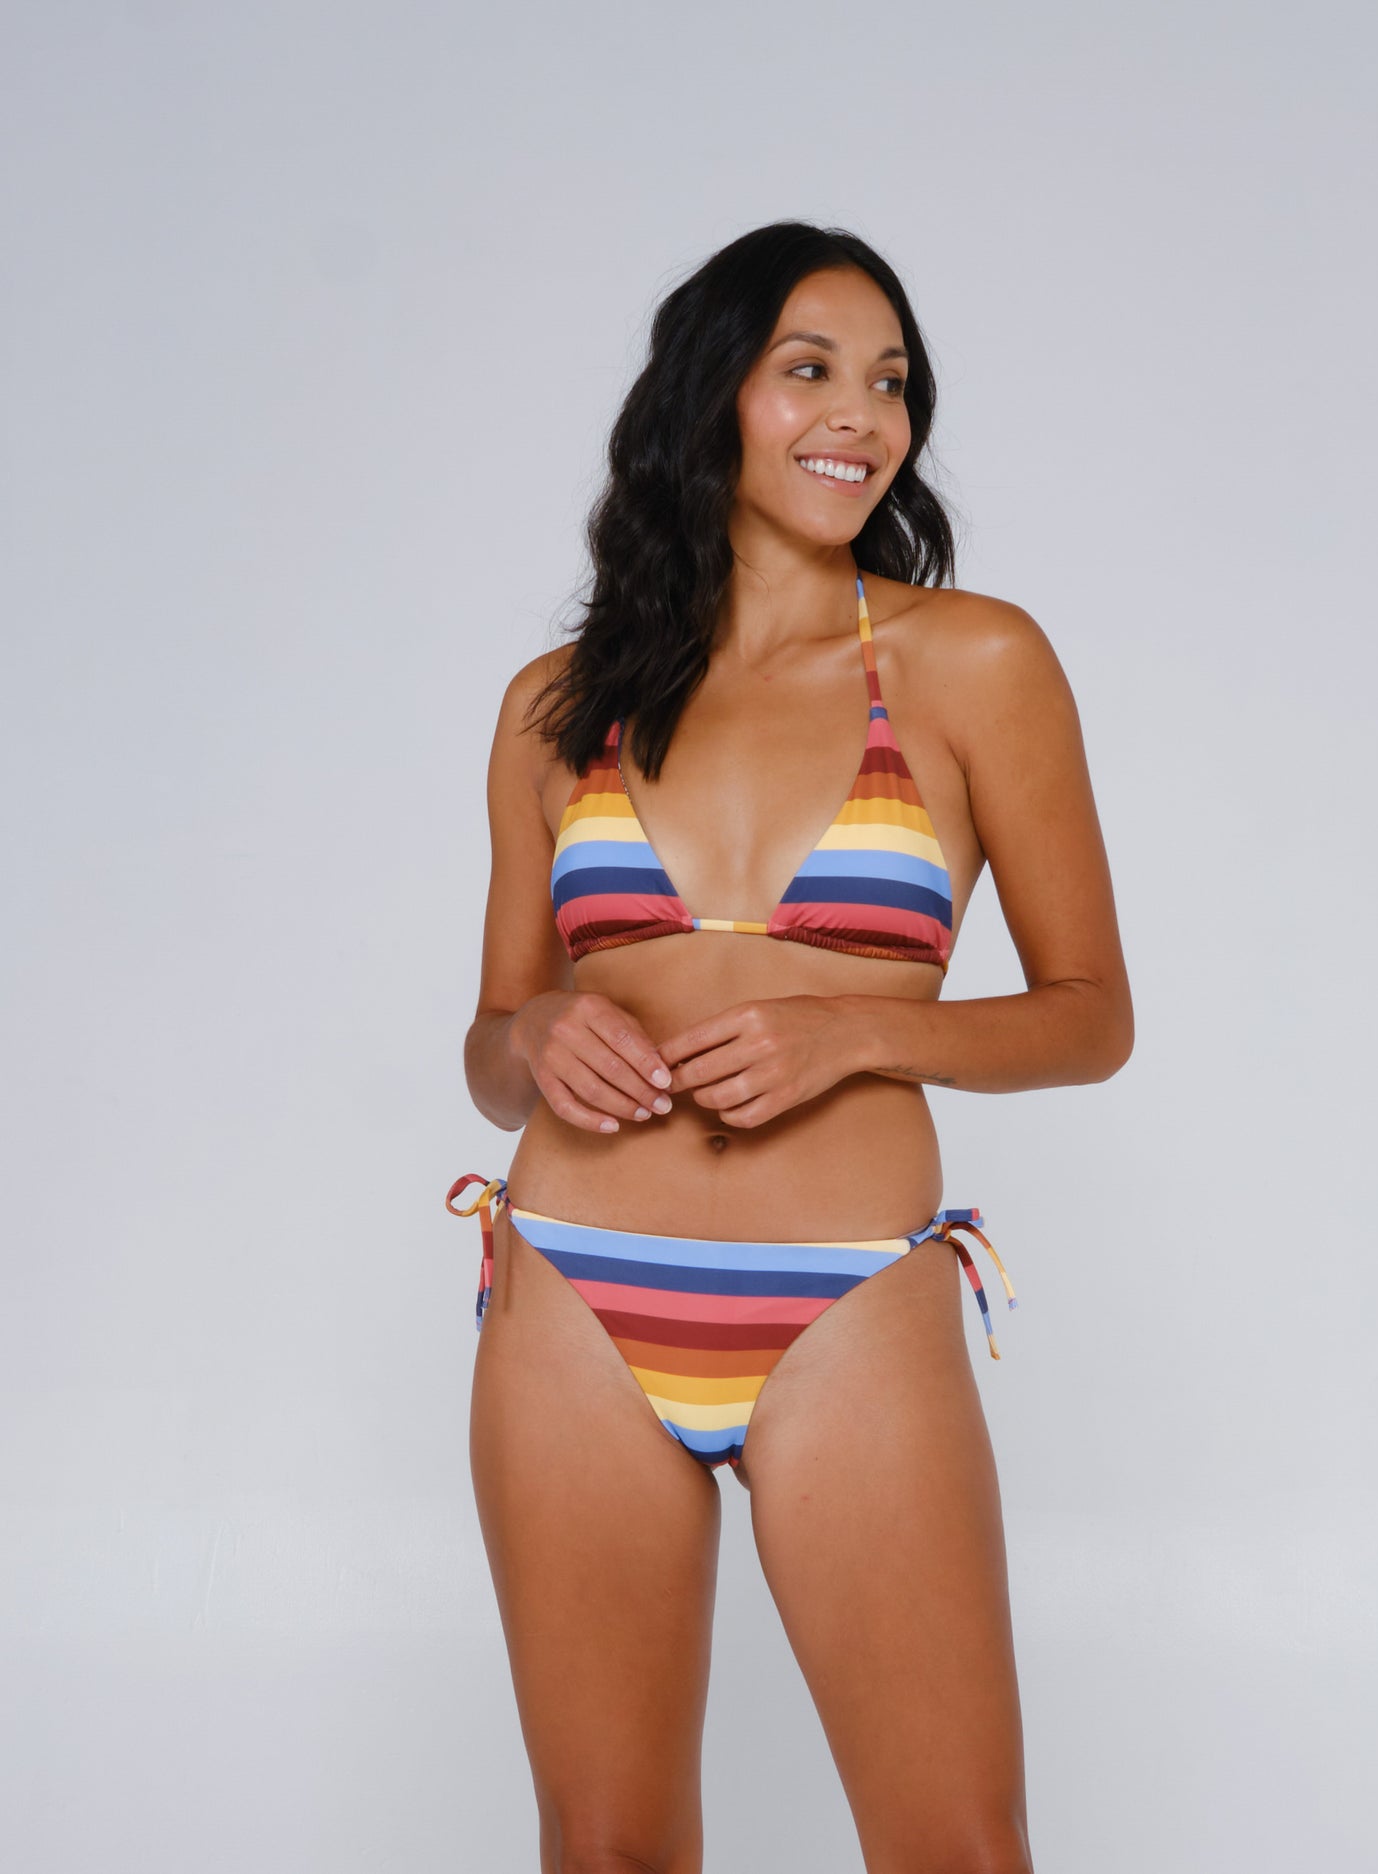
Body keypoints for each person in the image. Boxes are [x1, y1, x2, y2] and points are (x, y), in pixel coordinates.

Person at [447, 220, 1132, 1874]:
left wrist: (857, 1032)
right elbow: (487, 1045)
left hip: (848, 1295)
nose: (860, 416)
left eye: (889, 382)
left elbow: (1091, 1013)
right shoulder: (559, 702)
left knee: (957, 1846)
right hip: (573, 1294)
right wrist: (536, 1030)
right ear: (710, 399)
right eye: (809, 369)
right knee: (603, 1846)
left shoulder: (972, 662)